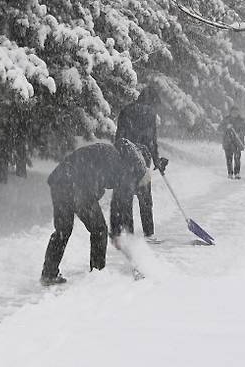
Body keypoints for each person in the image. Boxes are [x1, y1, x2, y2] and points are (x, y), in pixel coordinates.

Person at [40, 139, 148, 286]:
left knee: (63, 230)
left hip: (59, 182)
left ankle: (49, 274)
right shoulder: (121, 168)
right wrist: (118, 234)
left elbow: (119, 203)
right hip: (77, 187)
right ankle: (98, 275)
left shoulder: (112, 154)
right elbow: (120, 205)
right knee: (99, 230)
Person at [114, 84, 168, 241]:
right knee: (145, 198)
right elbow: (151, 140)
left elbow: (119, 137)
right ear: (151, 101)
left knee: (127, 198)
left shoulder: (126, 110)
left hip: (126, 158)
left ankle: (128, 234)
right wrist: (156, 159)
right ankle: (149, 233)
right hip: (142, 159)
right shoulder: (149, 113)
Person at [217, 106, 245, 179]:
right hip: (228, 142)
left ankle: (237, 173)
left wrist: (240, 134)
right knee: (229, 159)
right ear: (230, 112)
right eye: (233, 112)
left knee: (237, 158)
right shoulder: (226, 120)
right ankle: (230, 173)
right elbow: (219, 129)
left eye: (236, 112)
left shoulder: (242, 120)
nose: (235, 113)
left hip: (238, 142)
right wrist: (226, 127)